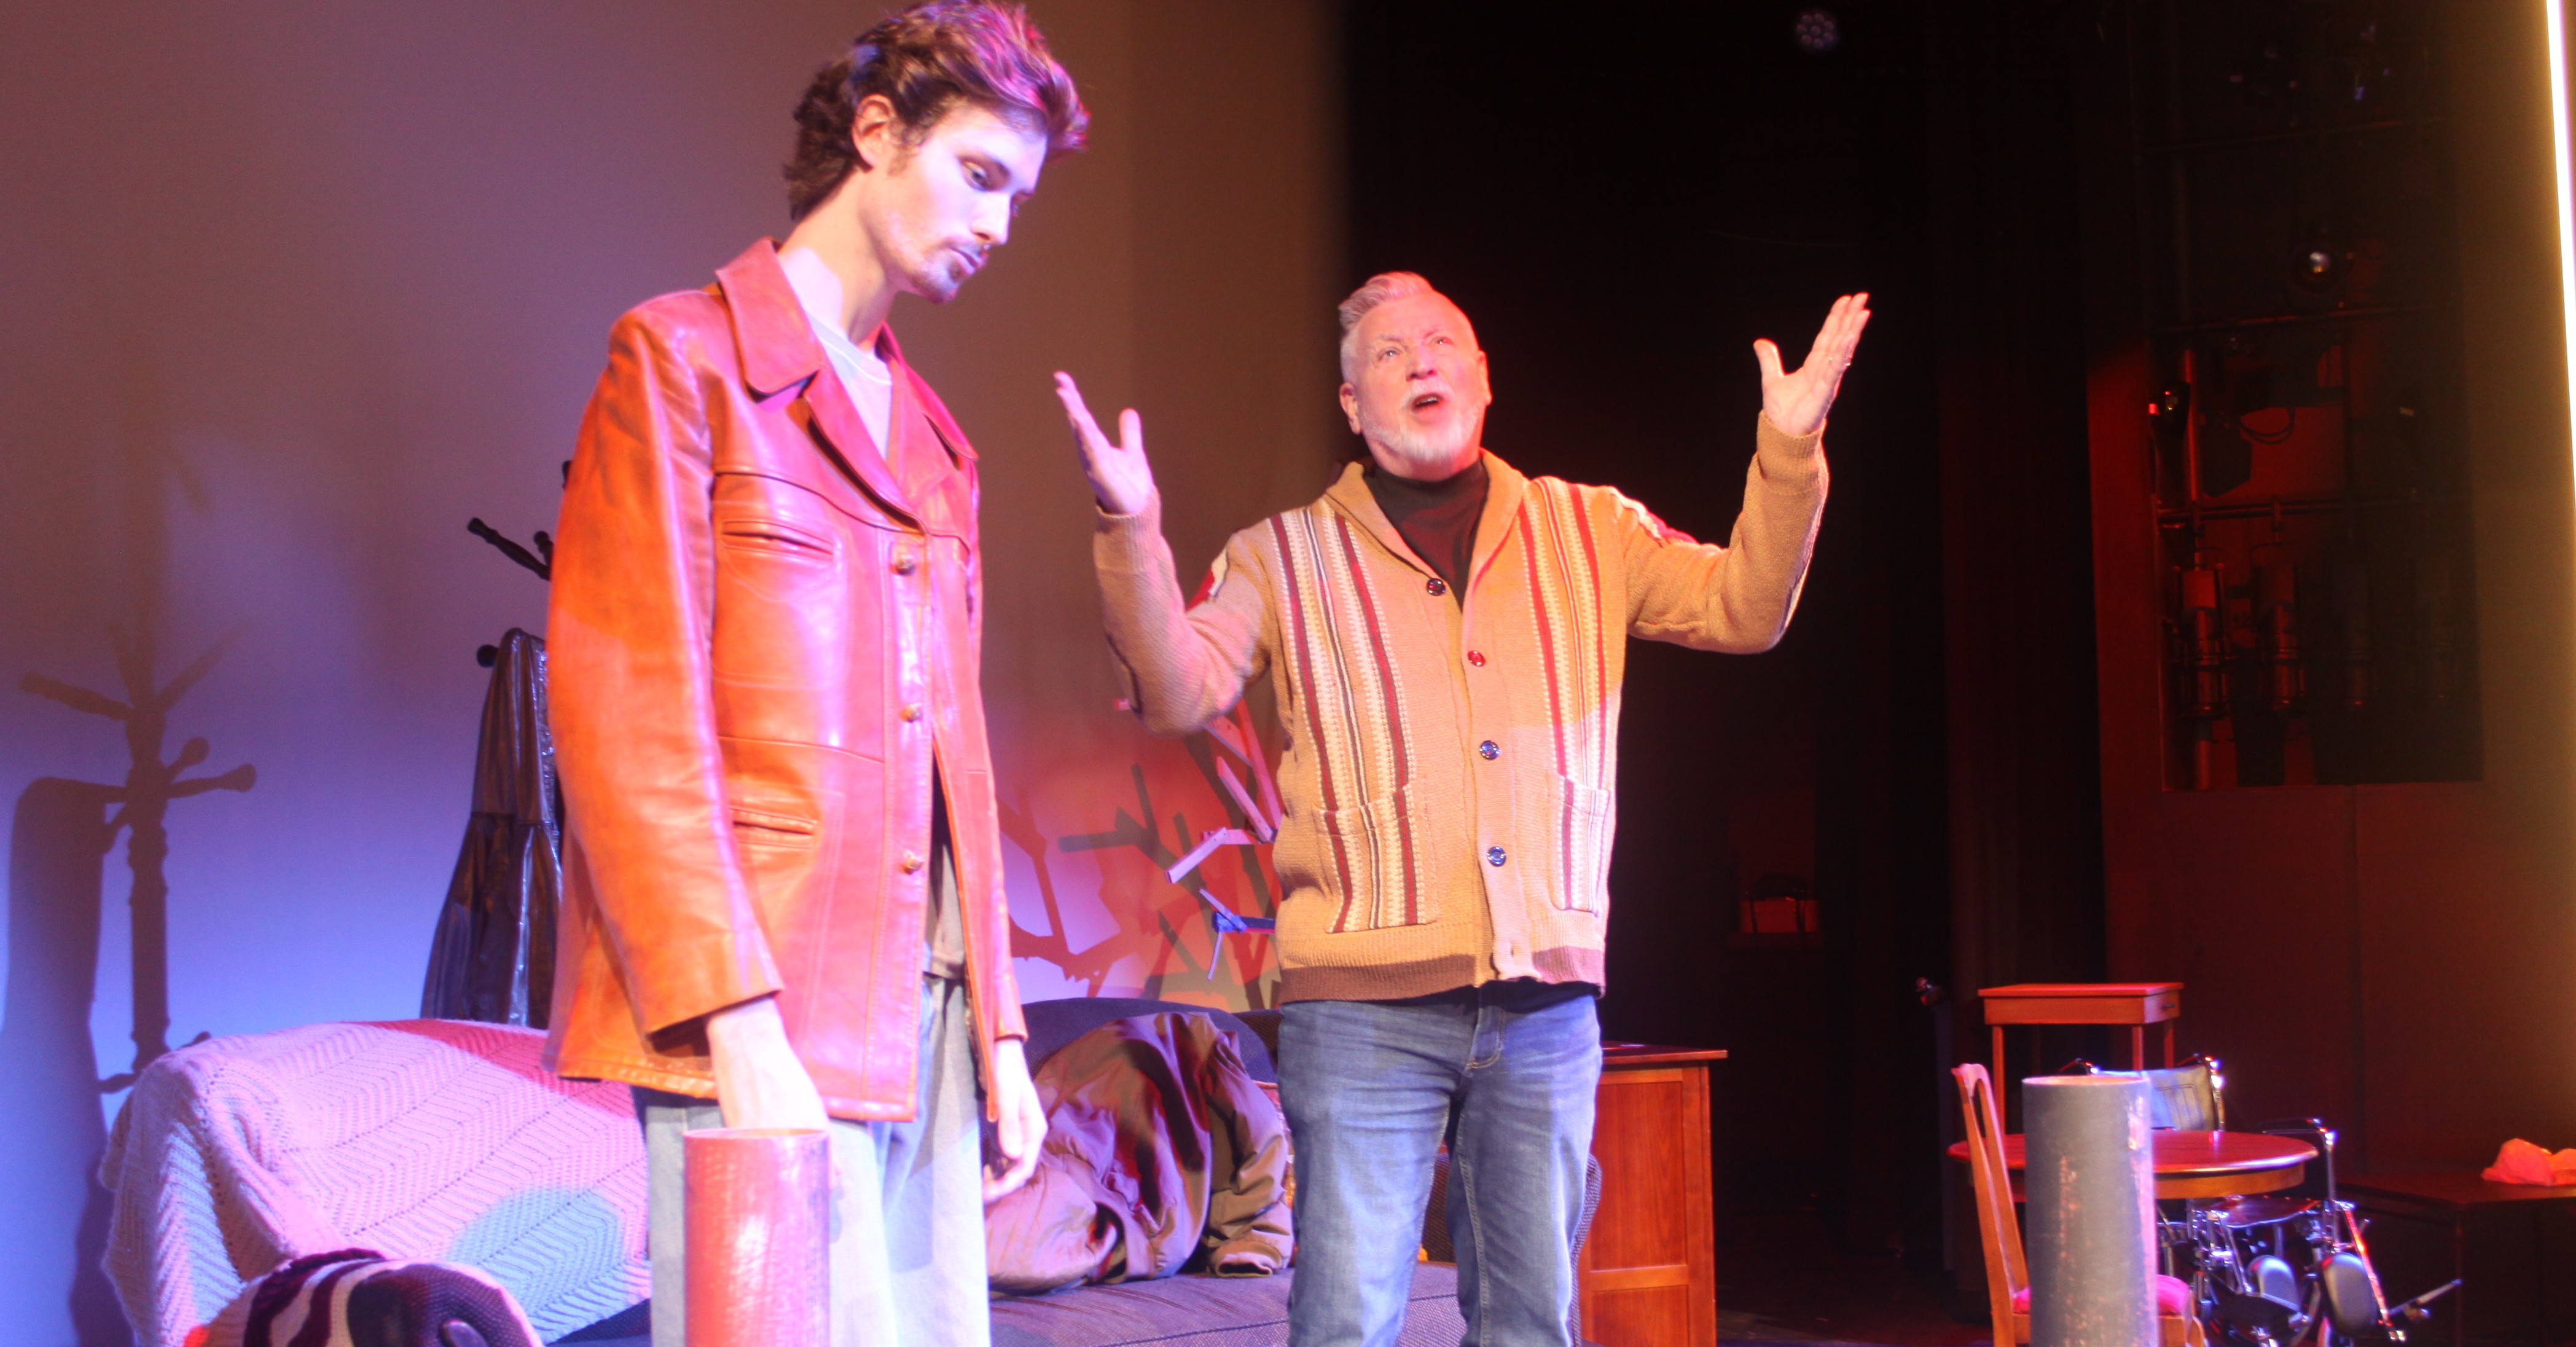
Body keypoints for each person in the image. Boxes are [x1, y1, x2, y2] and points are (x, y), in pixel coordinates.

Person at [1056, 272, 1867, 1345]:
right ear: (1352, 405)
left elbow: (1743, 610)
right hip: (1358, 1016)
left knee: (1532, 1320)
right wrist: (1131, 529)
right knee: (1346, 1319)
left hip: (1543, 1006)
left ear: (1483, 377)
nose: (1421, 363)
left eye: (1441, 343)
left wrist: (1788, 453)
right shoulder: (1279, 553)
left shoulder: (1590, 527)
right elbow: (1175, 689)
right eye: (1389, 355)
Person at [542, 7, 1085, 1344]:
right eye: (981, 175)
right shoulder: (682, 362)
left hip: (929, 1009)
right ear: (877, 133)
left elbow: (958, 749)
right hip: (766, 992)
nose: (1002, 225)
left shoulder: (936, 443)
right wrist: (735, 1022)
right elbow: (630, 718)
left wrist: (1003, 1031)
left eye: (1021, 193)